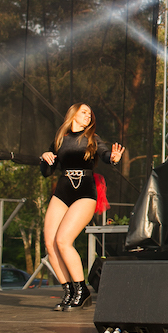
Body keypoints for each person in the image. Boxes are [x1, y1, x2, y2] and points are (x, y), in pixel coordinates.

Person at [40, 103, 124, 310]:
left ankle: (82, 291)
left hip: (85, 193)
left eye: (90, 114)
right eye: (84, 112)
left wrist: (113, 158)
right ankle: (69, 291)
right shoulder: (60, 139)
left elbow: (105, 154)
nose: (88, 115)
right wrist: (45, 159)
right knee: (50, 243)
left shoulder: (92, 138)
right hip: (62, 192)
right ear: (73, 114)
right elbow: (47, 172)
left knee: (63, 240)